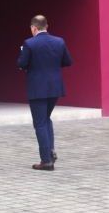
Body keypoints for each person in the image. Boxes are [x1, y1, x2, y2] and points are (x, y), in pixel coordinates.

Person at [16, 15, 73, 171]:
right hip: (55, 87)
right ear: (47, 26)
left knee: (40, 123)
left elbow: (22, 63)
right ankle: (50, 150)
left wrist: (23, 55)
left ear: (33, 28)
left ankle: (46, 160)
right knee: (46, 118)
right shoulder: (59, 41)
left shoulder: (29, 43)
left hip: (37, 88)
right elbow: (68, 61)